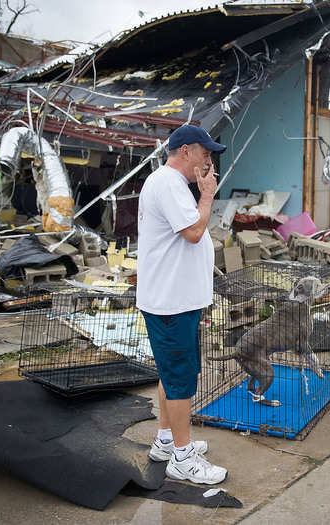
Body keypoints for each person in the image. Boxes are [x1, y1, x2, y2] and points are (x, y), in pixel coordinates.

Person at [136, 124, 227, 484]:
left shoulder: (170, 184)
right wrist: (207, 196)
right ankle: (182, 458)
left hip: (175, 299)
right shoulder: (169, 183)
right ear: (186, 151)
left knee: (171, 373)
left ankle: (165, 440)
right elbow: (193, 233)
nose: (207, 164)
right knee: (180, 378)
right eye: (205, 155)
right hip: (170, 302)